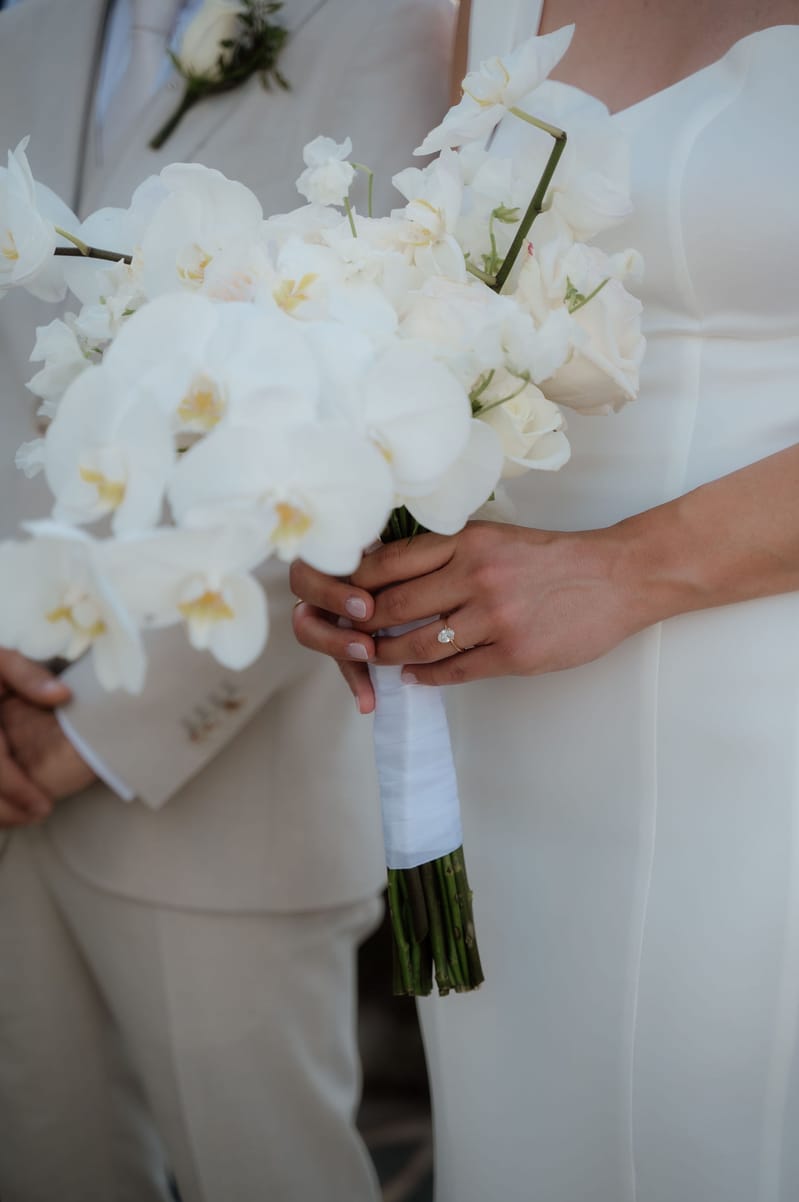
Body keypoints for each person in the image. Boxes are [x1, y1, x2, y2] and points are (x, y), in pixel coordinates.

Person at [290, 0, 799, 1198]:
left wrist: (622, 565)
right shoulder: (484, 9)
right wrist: (351, 513)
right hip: (501, 704)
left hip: (762, 700)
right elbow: (448, 310)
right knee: (525, 1132)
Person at [0, 1, 454, 1199]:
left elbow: (368, 408)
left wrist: (92, 728)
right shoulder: (27, 27)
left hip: (226, 783)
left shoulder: (399, 30)